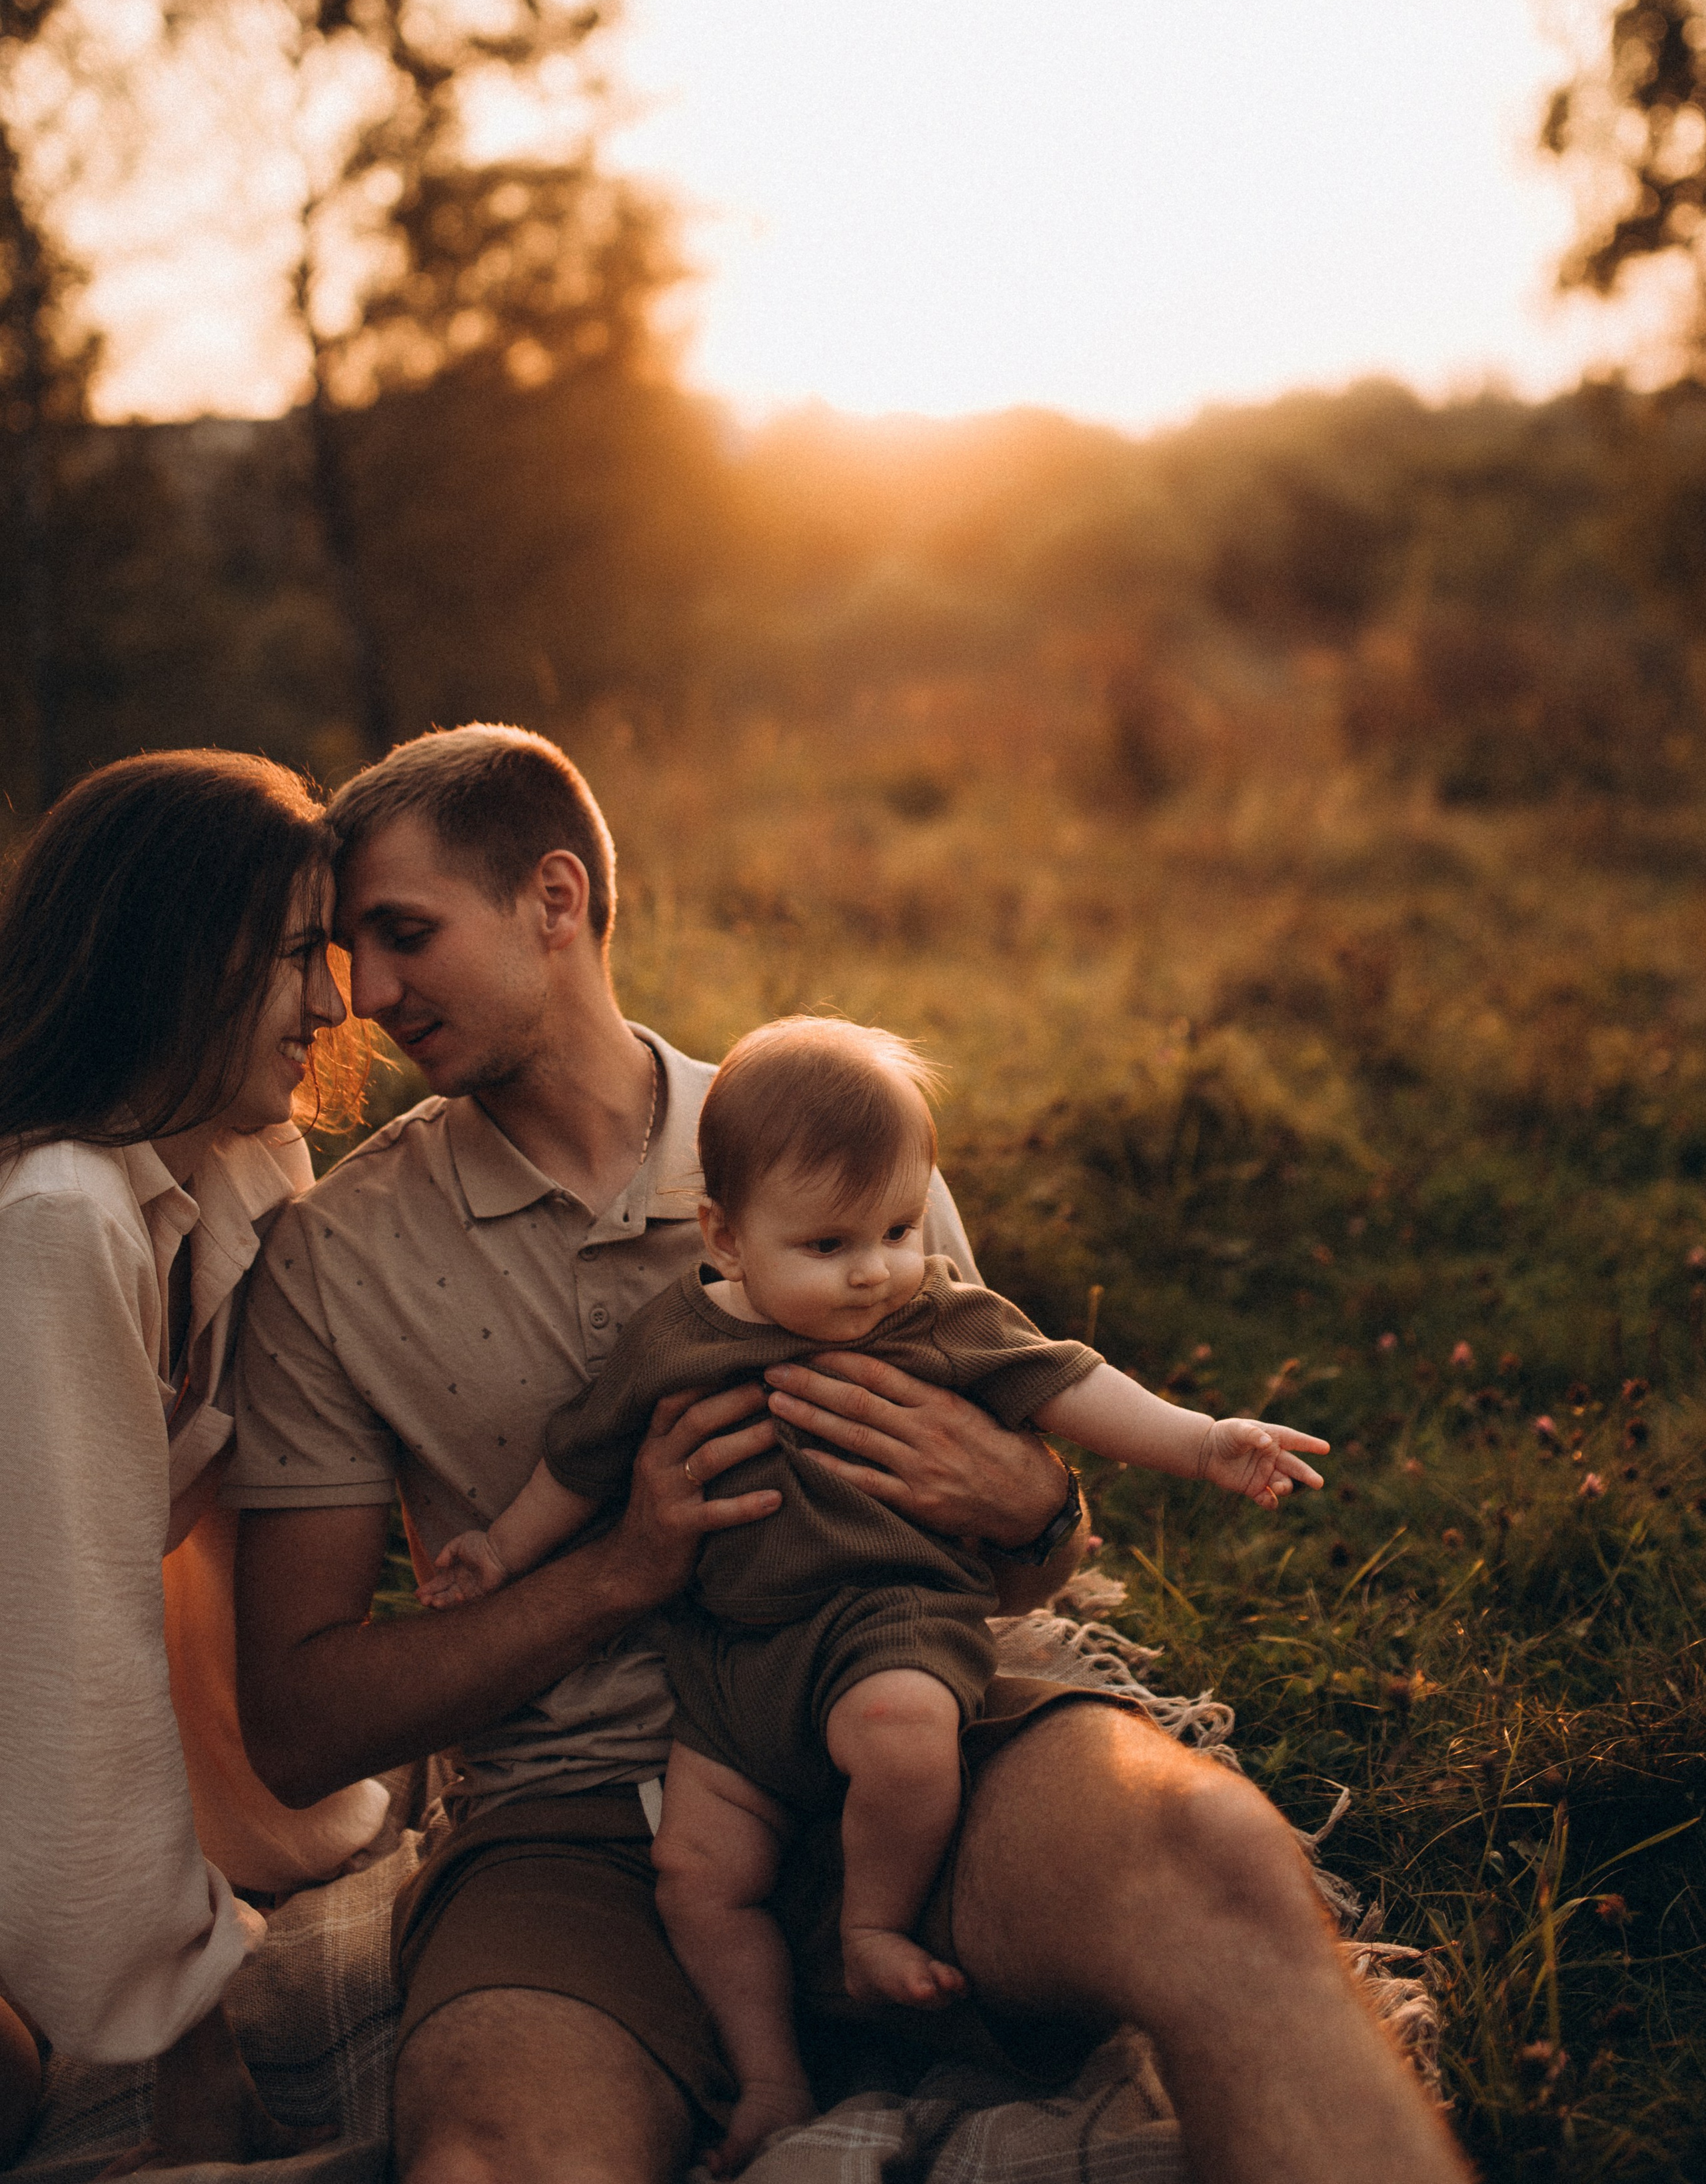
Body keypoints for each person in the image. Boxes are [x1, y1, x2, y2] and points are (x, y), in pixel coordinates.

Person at [231, 722, 1470, 2184]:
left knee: (1222, 1866)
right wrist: (617, 1571)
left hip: (918, 1723)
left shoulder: (836, 1132)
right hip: (577, 1828)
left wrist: (1027, 1496)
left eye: (404, 934)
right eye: (351, 950)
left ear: (554, 900)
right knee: (494, 2158)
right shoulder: (333, 1257)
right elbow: (300, 1725)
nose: (365, 996)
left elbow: (1026, 1506)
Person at [421, 1013, 1331, 2171]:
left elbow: (1069, 1384)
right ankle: (769, 2075)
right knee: (698, 1879)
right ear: (725, 1237)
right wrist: (500, 1550)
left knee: (902, 1732)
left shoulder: (937, 1316)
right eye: (831, 1244)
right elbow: (579, 1463)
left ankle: (870, 1924)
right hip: (730, 1669)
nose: (877, 1269)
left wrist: (1203, 1443)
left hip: (889, 1622)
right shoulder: (676, 1341)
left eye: (900, 1228)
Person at [0, 749, 391, 2171]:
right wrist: (185, 2018)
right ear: (177, 954)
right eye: (299, 955)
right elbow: (74, 1649)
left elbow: (214, 1543)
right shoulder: (58, 1216)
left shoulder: (236, 1167)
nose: (336, 1005)